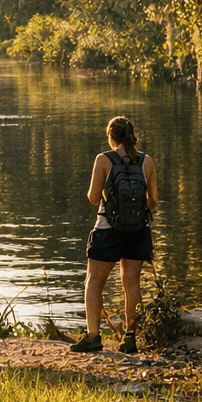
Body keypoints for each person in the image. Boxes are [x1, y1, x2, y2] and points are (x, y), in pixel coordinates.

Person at [71, 116, 157, 355]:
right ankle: (130, 337)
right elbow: (153, 202)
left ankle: (92, 336)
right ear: (132, 135)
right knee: (131, 283)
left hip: (107, 230)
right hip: (138, 231)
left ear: (111, 136)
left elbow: (93, 198)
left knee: (94, 282)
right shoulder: (146, 161)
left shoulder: (103, 159)